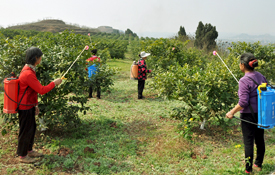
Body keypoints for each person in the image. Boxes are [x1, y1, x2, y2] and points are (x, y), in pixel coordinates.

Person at [17, 47, 62, 163]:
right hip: (24, 106)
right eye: (40, 57)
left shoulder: (30, 70)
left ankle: (29, 151)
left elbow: (33, 90)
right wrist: (54, 83)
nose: (41, 58)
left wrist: (35, 105)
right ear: (36, 58)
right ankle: (22, 156)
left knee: (31, 129)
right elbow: (41, 89)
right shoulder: (28, 73)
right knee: (25, 130)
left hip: (29, 105)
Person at [226, 53, 267, 174]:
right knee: (260, 140)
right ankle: (258, 164)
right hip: (261, 114)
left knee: (248, 142)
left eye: (240, 63)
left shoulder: (244, 81)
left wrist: (231, 112)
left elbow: (243, 102)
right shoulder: (261, 76)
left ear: (242, 65)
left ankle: (248, 170)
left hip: (248, 115)